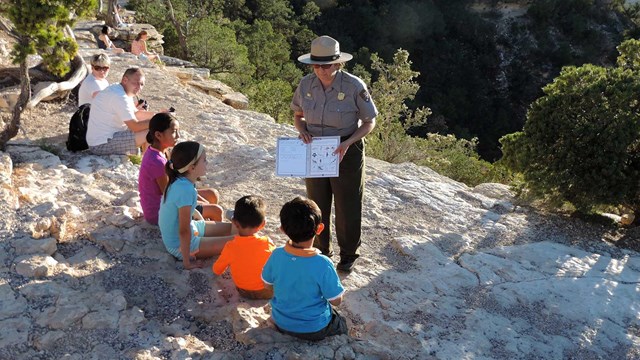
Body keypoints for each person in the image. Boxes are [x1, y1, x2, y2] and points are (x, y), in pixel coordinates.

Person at [291, 35, 378, 272]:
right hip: (316, 147)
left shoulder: (354, 86)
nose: (320, 70)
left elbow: (369, 121)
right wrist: (302, 131)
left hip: (345, 149)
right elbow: (298, 115)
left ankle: (348, 254)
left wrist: (349, 141)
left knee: (347, 203)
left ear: (338, 63)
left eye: (326, 65)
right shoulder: (306, 85)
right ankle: (321, 249)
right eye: (316, 65)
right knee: (316, 201)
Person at [262, 196, 347, 341]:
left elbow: (267, 285)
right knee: (341, 323)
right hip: (314, 328)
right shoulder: (323, 263)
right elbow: (336, 301)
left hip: (281, 322)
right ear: (319, 228)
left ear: (282, 229)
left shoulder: (276, 255)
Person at [158, 141, 235, 270]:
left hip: (191, 229)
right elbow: (183, 231)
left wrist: (199, 218)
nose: (207, 163)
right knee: (237, 241)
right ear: (191, 168)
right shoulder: (185, 190)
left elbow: (185, 211)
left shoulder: (180, 180)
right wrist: (187, 262)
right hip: (180, 246)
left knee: (234, 228)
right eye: (204, 160)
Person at [138, 113, 224, 225]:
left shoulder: (161, 152)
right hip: (159, 213)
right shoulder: (156, 162)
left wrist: (201, 201)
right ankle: (214, 236)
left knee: (213, 194)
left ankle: (203, 226)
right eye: (174, 132)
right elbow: (170, 195)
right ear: (158, 135)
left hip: (169, 199)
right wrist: (200, 202)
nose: (178, 136)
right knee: (216, 211)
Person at [86, 67, 164, 155]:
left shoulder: (120, 89)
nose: (139, 87)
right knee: (153, 131)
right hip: (101, 144)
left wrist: (160, 115)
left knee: (153, 125)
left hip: (105, 137)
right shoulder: (119, 96)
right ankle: (149, 164)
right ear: (125, 80)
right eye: (136, 83)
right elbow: (135, 126)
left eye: (142, 84)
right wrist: (158, 121)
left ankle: (146, 159)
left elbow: (136, 114)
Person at [212, 195, 275, 299]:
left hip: (243, 291)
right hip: (267, 292)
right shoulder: (267, 243)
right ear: (262, 224)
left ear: (235, 223)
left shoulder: (230, 246)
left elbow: (217, 269)